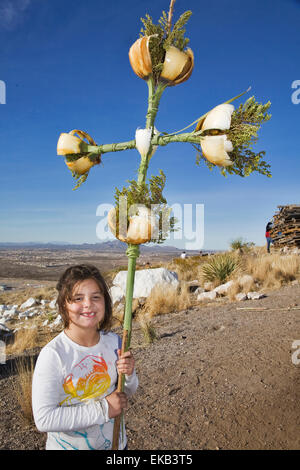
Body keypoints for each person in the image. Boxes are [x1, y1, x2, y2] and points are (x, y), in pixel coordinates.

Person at [32, 264, 138, 450]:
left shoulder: (114, 343)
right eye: (78, 298)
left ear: (105, 302)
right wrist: (104, 409)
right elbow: (44, 419)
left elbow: (124, 393)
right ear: (64, 305)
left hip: (117, 445)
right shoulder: (54, 355)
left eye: (95, 297)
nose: (88, 304)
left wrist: (129, 375)